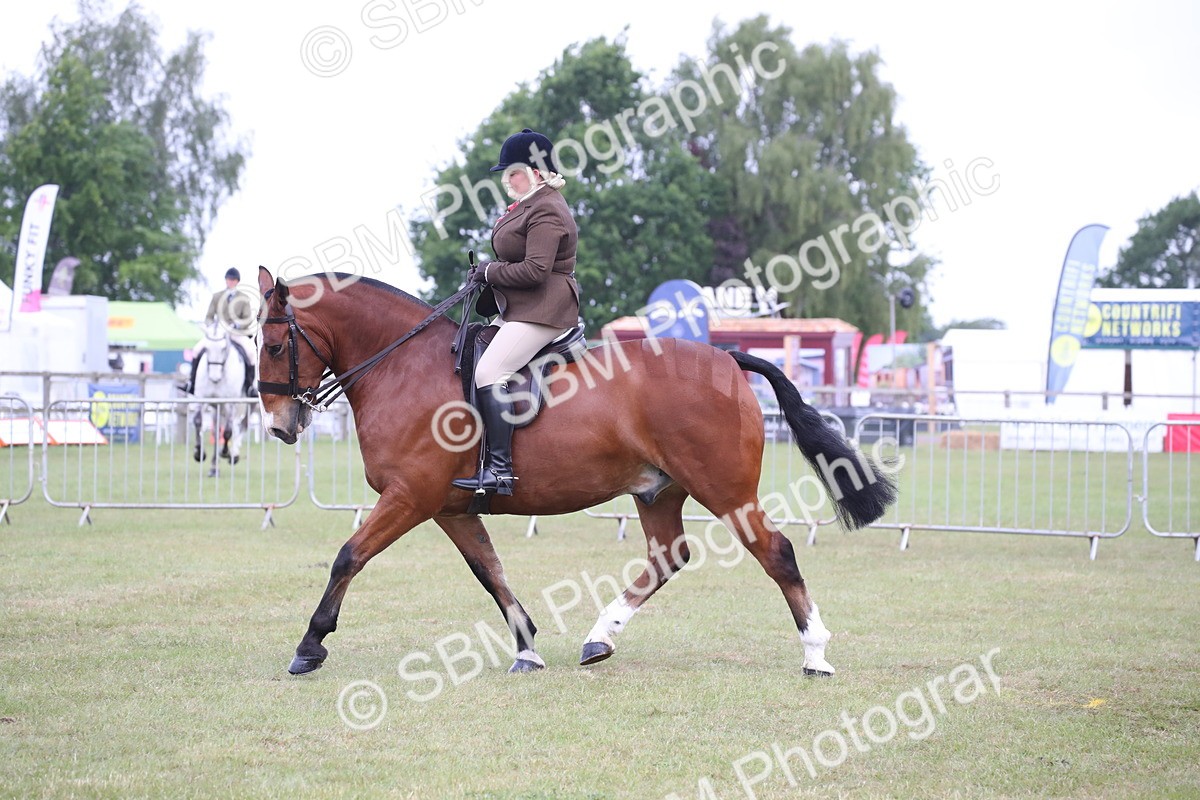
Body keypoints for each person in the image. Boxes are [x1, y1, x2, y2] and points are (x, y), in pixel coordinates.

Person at [452, 128, 581, 497]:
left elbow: (536, 270)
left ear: (537, 172)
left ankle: (500, 472)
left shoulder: (548, 209)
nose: (507, 180)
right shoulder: (528, 204)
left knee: (491, 370)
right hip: (520, 308)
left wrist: (490, 271)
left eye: (514, 172)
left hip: (543, 310)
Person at [182, 267, 258, 396]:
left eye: (233, 280)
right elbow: (209, 317)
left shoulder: (244, 298)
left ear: (237, 281)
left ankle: (250, 386)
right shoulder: (217, 296)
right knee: (196, 350)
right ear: (226, 280)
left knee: (251, 354)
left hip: (235, 333)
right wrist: (212, 327)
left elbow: (247, 318)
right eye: (229, 279)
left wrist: (236, 324)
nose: (230, 282)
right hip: (217, 334)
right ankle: (191, 382)